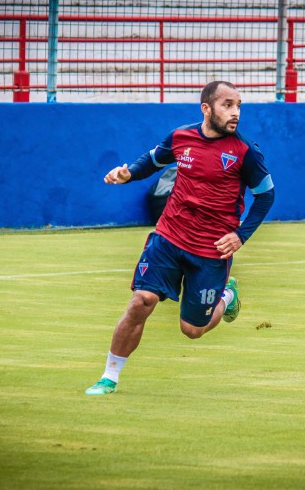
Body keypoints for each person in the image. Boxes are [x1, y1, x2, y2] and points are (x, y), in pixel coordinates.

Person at [86, 80, 275, 395]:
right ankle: (109, 376)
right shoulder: (181, 137)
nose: (236, 113)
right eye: (227, 105)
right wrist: (129, 173)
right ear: (206, 108)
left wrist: (240, 236)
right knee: (141, 301)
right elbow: (153, 160)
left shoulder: (245, 152)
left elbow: (266, 196)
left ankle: (227, 296)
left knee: (192, 330)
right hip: (169, 237)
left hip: (211, 251)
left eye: (239, 105)